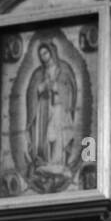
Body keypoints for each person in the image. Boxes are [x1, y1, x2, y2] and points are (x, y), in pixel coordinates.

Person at [25, 41, 78, 173]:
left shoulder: (63, 69)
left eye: (45, 53)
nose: (44, 57)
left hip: (59, 107)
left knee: (57, 133)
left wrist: (57, 88)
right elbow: (32, 91)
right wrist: (41, 87)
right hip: (44, 107)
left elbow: (70, 88)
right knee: (45, 133)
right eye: (41, 54)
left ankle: (58, 161)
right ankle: (45, 160)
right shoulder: (38, 73)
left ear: (51, 52)